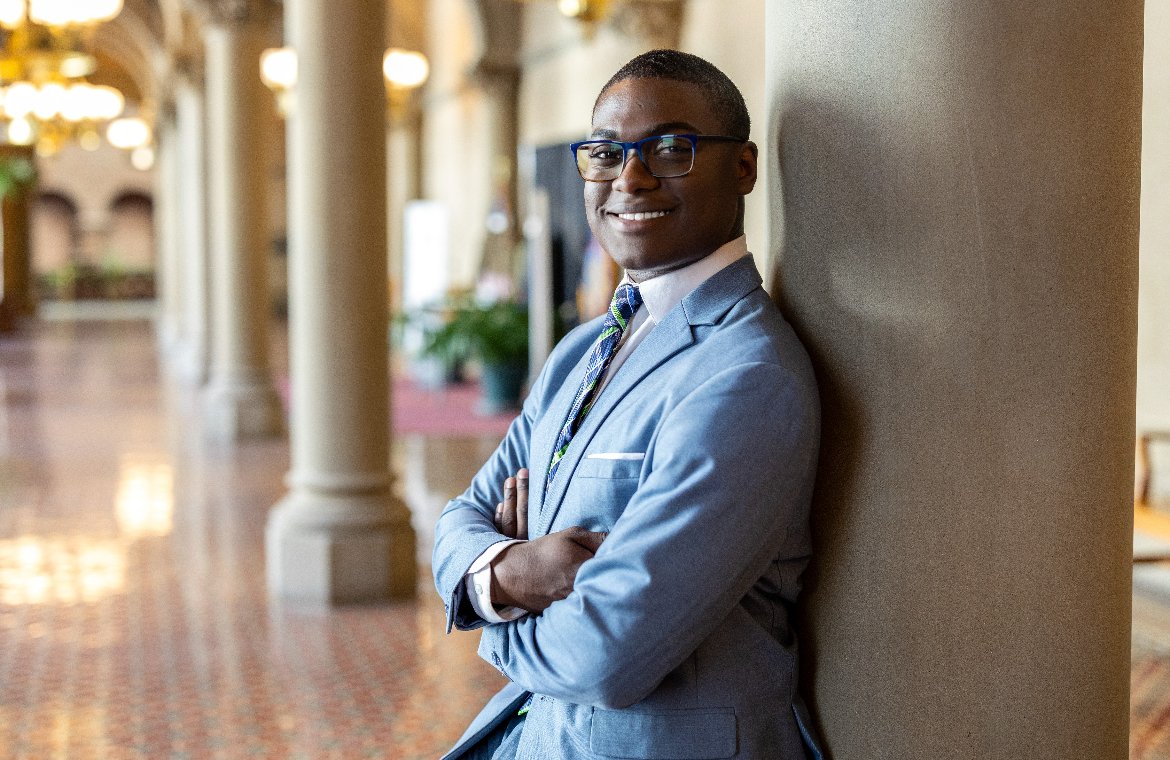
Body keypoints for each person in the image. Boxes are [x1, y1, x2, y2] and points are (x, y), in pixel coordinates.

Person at [432, 49, 823, 760]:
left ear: (743, 168)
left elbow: (604, 652)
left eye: (671, 149)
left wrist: (484, 603)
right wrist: (512, 573)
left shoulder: (746, 375)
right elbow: (458, 518)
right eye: (606, 153)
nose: (630, 178)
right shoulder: (579, 350)